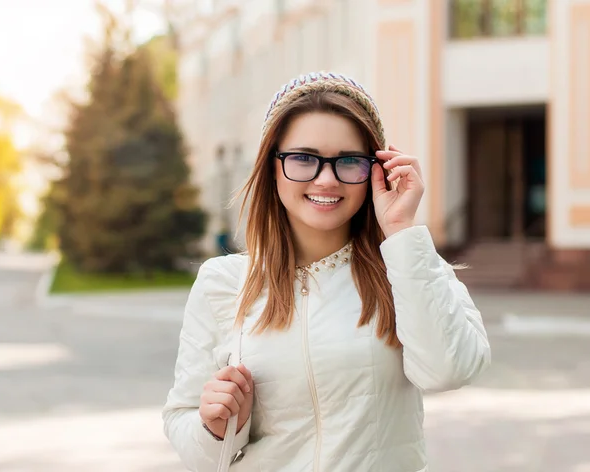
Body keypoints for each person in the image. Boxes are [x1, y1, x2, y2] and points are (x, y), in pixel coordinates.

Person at [162, 71, 491, 472]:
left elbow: (449, 370)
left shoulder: (406, 265)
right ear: (272, 166)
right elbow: (188, 434)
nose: (326, 179)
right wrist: (216, 427)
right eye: (303, 158)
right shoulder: (223, 283)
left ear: (376, 169)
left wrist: (401, 233)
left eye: (349, 161)